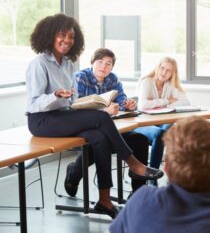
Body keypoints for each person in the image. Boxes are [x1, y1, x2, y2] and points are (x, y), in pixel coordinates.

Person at [25, 13, 163, 219]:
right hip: (41, 120)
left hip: (63, 115)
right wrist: (55, 95)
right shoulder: (39, 64)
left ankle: (104, 201)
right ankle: (134, 164)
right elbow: (34, 103)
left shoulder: (69, 63)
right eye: (62, 35)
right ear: (50, 35)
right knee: (101, 118)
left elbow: (72, 102)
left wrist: (77, 102)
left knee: (99, 137)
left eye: (71, 36)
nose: (67, 40)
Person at [65, 48, 150, 196]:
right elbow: (76, 108)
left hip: (111, 127)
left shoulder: (113, 79)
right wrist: (104, 112)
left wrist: (128, 105)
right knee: (100, 143)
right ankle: (74, 173)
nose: (103, 67)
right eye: (100, 62)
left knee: (140, 140)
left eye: (108, 64)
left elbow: (121, 100)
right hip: (87, 128)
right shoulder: (80, 77)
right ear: (92, 62)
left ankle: (138, 192)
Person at [135, 57, 190, 172]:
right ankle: (153, 175)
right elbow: (142, 105)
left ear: (172, 74)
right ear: (157, 67)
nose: (164, 72)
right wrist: (166, 101)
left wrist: (157, 104)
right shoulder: (146, 81)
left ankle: (154, 173)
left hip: (162, 123)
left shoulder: (170, 85)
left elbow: (185, 102)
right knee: (162, 133)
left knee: (167, 127)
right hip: (144, 124)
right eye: (162, 68)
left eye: (168, 71)